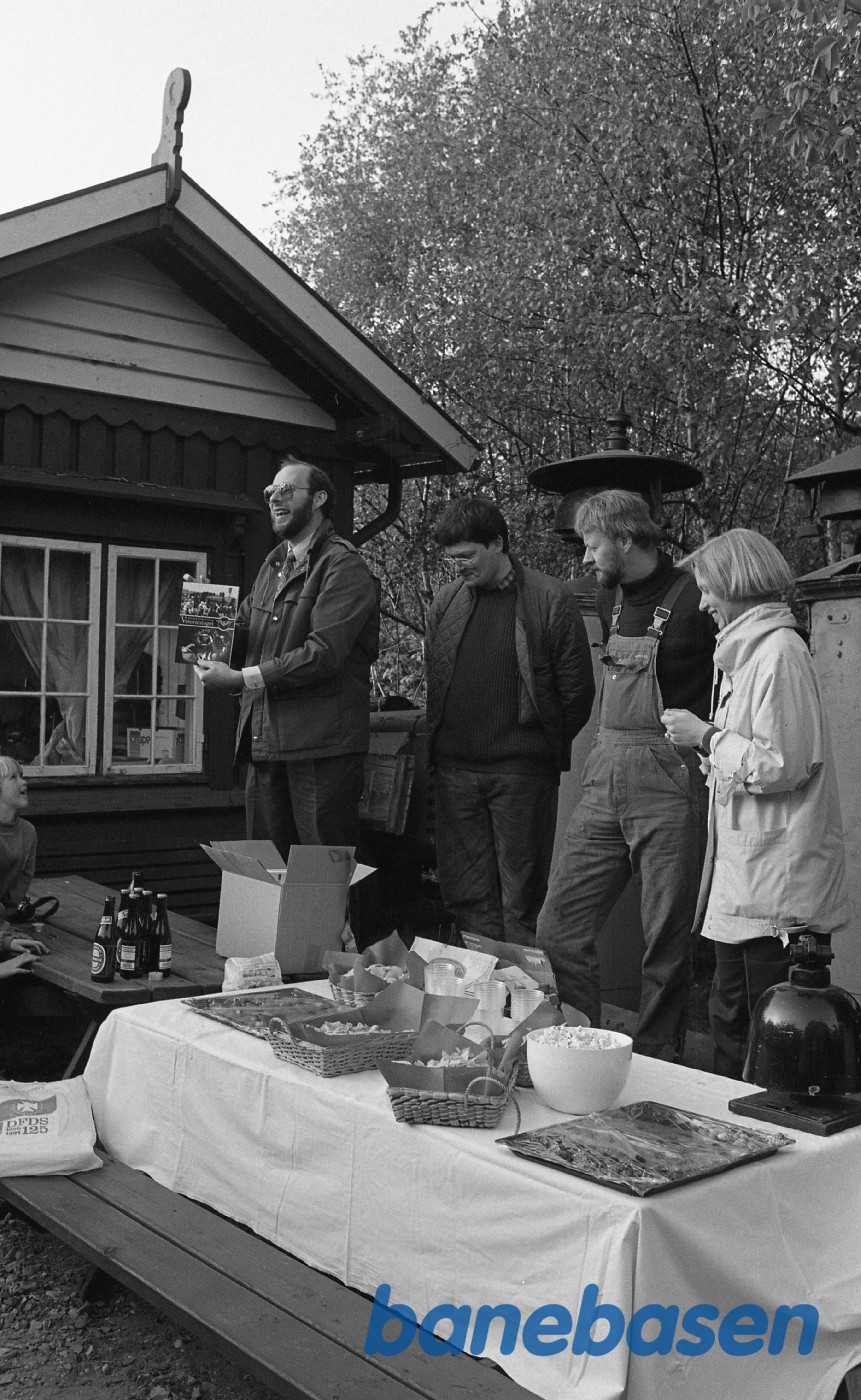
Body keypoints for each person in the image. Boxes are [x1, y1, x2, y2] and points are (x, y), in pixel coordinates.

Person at [662, 528, 851, 1078]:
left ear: (736, 582)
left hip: (777, 893)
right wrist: (716, 757)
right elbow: (757, 758)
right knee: (733, 1020)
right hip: (749, 886)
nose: (702, 603)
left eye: (706, 588)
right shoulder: (745, 656)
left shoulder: (780, 654)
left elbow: (783, 764)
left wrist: (706, 738)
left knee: (766, 1032)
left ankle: (767, 1143)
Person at [537, 489, 716, 1060]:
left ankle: (660, 1056)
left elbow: (730, 692)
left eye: (591, 545)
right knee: (559, 925)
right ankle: (584, 1042)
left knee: (665, 937)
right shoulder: (609, 592)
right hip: (605, 770)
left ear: (623, 538)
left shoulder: (694, 597)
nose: (586, 560)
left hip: (669, 779)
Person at [425, 497, 595, 944]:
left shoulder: (549, 599)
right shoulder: (446, 603)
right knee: (466, 897)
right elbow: (436, 680)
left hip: (520, 776)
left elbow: (576, 694)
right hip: (455, 773)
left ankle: (522, 1004)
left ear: (498, 543)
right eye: (452, 559)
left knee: (520, 902)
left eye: (466, 556)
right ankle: (484, 996)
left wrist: (536, 748)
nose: (458, 567)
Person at [194, 457, 380, 855]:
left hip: (321, 750)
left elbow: (323, 654)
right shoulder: (275, 563)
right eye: (270, 492)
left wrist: (242, 679)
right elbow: (245, 633)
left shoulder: (343, 565)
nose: (275, 499)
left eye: (287, 491)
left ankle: (339, 924)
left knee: (325, 876)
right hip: (266, 742)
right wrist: (207, 611)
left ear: (319, 500)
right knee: (270, 873)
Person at [0, 757, 48, 980]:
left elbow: (12, 899)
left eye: (23, 776)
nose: (23, 783)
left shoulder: (27, 833)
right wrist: (4, 939)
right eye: (13, 777)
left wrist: (6, 934)